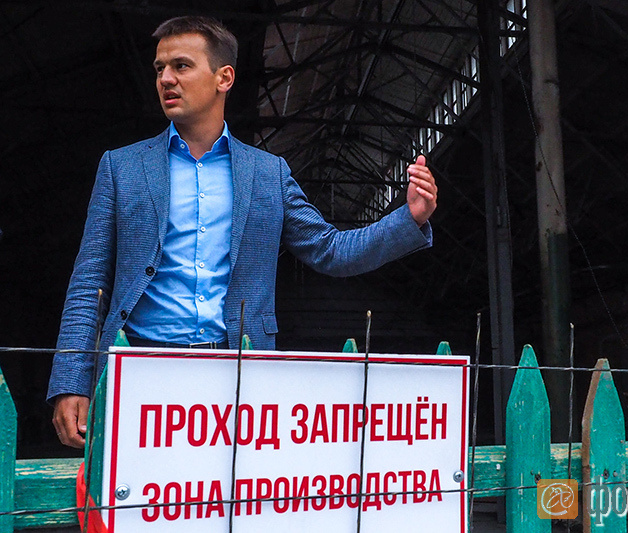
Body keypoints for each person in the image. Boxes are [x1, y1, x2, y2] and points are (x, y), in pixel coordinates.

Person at [49, 16, 437, 448]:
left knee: (229, 491)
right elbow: (89, 281)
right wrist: (71, 380)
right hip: (135, 367)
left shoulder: (268, 174)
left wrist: (410, 218)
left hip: (237, 374)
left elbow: (332, 250)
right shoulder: (121, 167)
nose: (166, 79)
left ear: (224, 78)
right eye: (160, 68)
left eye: (181, 66)